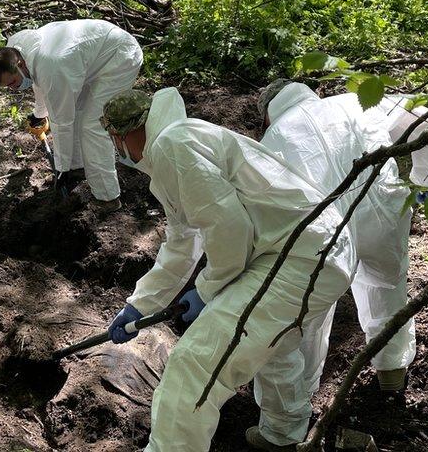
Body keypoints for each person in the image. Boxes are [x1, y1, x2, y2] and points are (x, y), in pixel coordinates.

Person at [100, 88, 357, 452]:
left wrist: (207, 290)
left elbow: (229, 229)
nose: (117, 150)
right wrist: (140, 303)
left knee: (195, 364)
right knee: (272, 346)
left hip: (297, 257)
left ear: (123, 134)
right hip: (319, 247)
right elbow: (181, 241)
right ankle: (282, 436)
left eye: (113, 140)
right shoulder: (176, 144)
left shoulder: (175, 145)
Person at [251, 80, 428, 448]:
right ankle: (392, 368)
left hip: (321, 229)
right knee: (385, 283)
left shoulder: (270, 141)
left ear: (267, 115)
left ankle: (291, 415)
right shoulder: (355, 103)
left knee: (303, 314)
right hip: (381, 206)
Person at [0, 19, 144, 214]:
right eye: (8, 87)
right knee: (76, 111)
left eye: (13, 83)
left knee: (92, 125)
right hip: (89, 58)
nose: (14, 88)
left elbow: (61, 122)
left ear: (19, 64)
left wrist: (61, 168)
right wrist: (39, 114)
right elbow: (39, 81)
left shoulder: (50, 66)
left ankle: (108, 198)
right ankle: (77, 168)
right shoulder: (15, 50)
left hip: (120, 57)